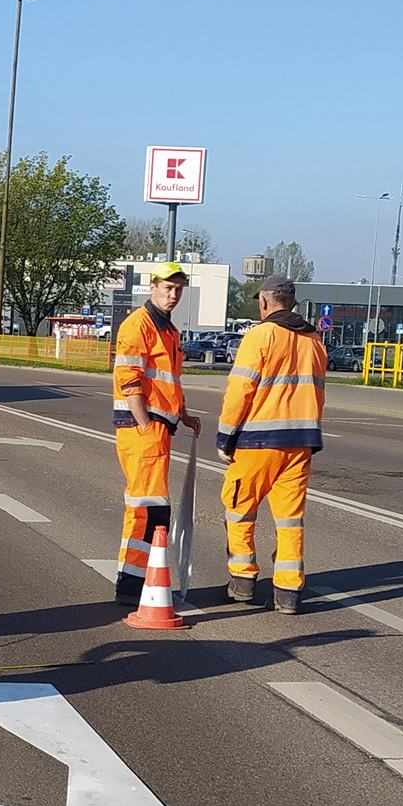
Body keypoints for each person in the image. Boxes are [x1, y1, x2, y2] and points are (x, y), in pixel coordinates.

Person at [214, 275, 327, 614]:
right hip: (301, 443)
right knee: (290, 519)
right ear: (291, 302)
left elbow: (240, 392)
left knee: (239, 508)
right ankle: (288, 593)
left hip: (257, 442)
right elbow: (317, 393)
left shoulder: (259, 336)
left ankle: (242, 582)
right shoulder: (314, 340)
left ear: (264, 302)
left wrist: (225, 436)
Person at [111, 261, 200, 605]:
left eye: (178, 289)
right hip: (142, 429)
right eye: (167, 287)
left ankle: (140, 580)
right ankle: (131, 586)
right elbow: (129, 379)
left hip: (158, 428)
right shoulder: (139, 325)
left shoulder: (169, 330)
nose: (173, 294)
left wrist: (185, 415)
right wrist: (145, 423)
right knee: (148, 507)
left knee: (151, 507)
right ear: (153, 287)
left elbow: (168, 382)